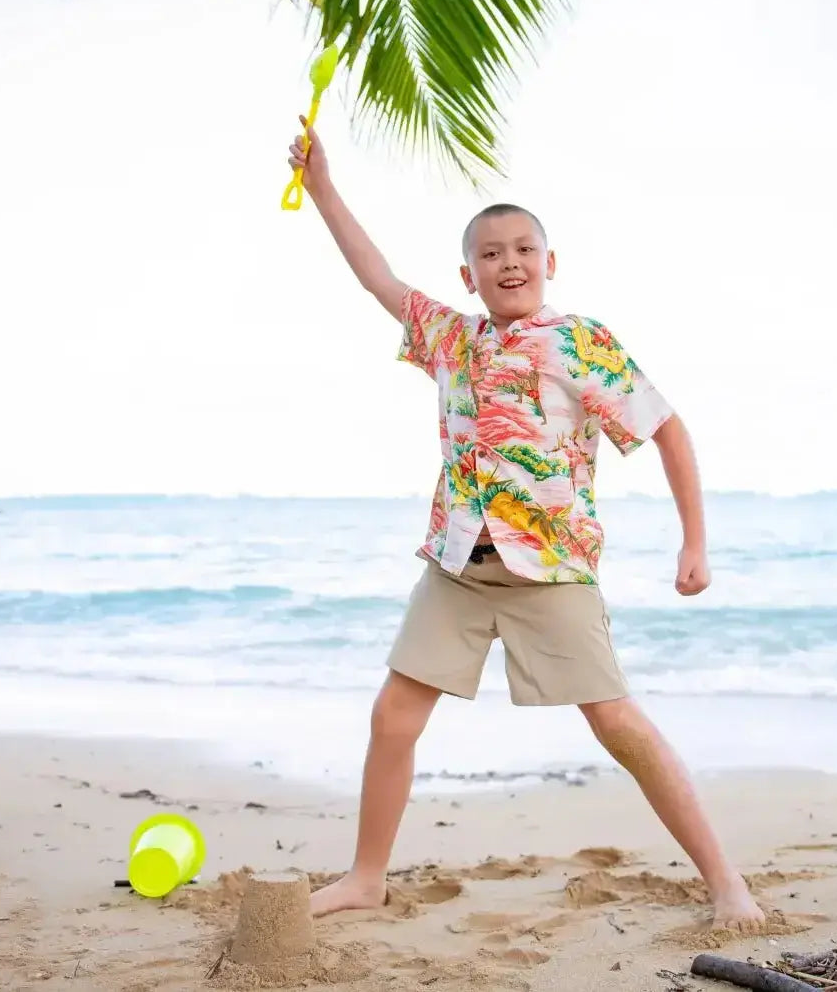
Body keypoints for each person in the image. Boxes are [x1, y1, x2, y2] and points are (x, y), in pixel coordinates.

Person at [287, 120, 766, 932]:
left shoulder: (582, 343)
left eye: (523, 249)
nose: (508, 261)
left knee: (617, 722)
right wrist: (324, 186)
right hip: (456, 568)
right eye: (490, 253)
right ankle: (367, 877)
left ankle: (726, 882)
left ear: (549, 264)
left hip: (551, 570)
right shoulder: (449, 337)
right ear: (469, 276)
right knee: (392, 716)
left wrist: (695, 542)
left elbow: (669, 432)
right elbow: (377, 276)